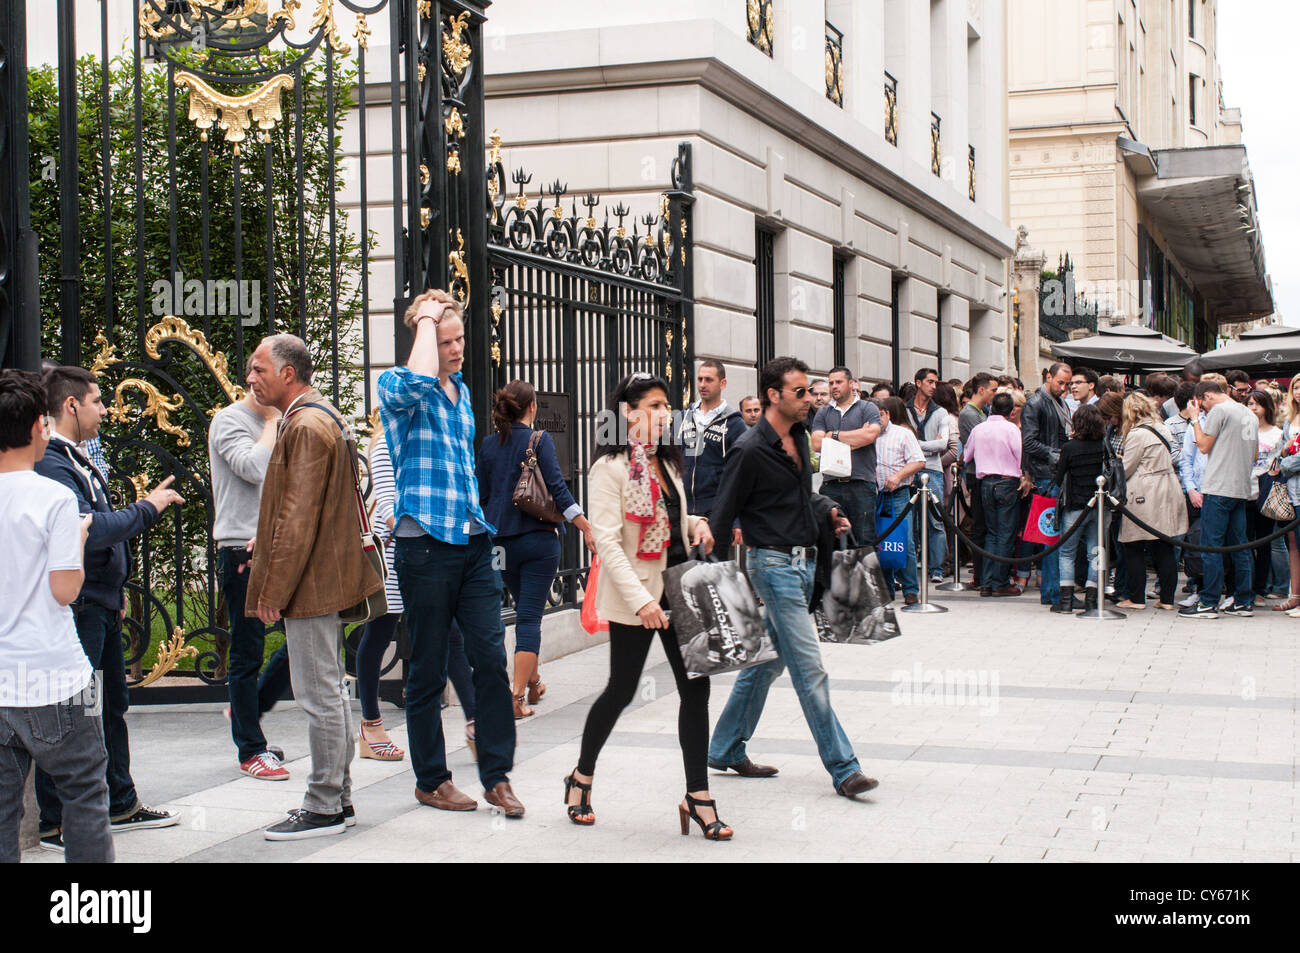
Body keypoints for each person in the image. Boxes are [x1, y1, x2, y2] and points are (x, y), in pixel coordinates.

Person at [379, 289, 524, 818]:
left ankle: (496, 775)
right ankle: (432, 780)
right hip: (425, 550)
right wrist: (424, 318)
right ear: (423, 340)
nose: (458, 348)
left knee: (489, 658)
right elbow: (417, 380)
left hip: (471, 542)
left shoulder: (462, 392)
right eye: (445, 341)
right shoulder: (398, 387)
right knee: (428, 670)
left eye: (460, 337)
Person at [564, 372, 728, 837]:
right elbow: (608, 543)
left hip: (679, 587)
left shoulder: (667, 463)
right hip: (637, 596)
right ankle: (581, 778)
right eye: (654, 406)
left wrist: (695, 523)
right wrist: (640, 603)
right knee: (621, 689)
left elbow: (670, 516)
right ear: (628, 414)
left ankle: (698, 796)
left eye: (666, 406)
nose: (665, 414)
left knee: (696, 689)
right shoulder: (609, 469)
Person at [707, 357, 877, 799]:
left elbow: (802, 496)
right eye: (800, 392)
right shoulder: (747, 450)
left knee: (768, 662)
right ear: (773, 395)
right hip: (773, 567)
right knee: (810, 668)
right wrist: (716, 584)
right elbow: (722, 516)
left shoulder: (800, 436)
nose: (810, 399)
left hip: (806, 565)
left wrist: (829, 512)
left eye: (809, 391)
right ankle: (844, 768)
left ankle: (724, 747)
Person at [33, 365, 184, 852]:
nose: (106, 409)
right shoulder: (54, 464)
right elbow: (92, 530)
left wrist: (115, 591)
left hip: (99, 604)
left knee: (110, 705)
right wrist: (149, 507)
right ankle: (57, 821)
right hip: (80, 609)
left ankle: (121, 801)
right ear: (71, 405)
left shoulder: (72, 457)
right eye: (97, 401)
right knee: (75, 710)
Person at [245, 333, 383, 840]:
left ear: (287, 374)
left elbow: (296, 521)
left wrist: (272, 593)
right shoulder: (321, 417)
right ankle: (338, 799)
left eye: (259, 368)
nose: (250, 377)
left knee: (319, 694)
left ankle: (323, 804)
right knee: (329, 691)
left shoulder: (305, 425)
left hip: (311, 583)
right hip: (323, 576)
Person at [0, 370, 110, 863]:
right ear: (38, 428)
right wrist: (81, 542)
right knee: (86, 792)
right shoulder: (55, 498)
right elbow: (65, 590)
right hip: (59, 675)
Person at [478, 379, 596, 718]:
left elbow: (482, 495)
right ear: (532, 407)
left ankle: (533, 684)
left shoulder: (488, 445)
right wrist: (584, 525)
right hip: (539, 541)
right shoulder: (539, 440)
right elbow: (558, 488)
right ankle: (515, 698)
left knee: (523, 610)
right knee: (530, 617)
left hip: (500, 543)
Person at [208, 385, 292, 780]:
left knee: (302, 640)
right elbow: (253, 467)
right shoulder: (229, 421)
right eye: (259, 375)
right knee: (247, 651)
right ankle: (251, 749)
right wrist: (274, 424)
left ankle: (248, 711)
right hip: (242, 548)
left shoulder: (285, 421)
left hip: (281, 546)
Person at [1179, 381, 1259, 619]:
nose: (1200, 408)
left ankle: (1208, 602)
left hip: (1218, 486)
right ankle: (1243, 601)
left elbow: (1203, 446)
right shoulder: (1249, 414)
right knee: (1240, 546)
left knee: (1210, 547)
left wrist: (1194, 419)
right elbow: (1254, 455)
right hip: (1240, 487)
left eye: (1200, 403)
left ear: (1207, 396)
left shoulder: (1219, 410)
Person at [353, 422, 406, 762]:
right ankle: (370, 725)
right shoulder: (387, 443)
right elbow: (388, 507)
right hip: (395, 552)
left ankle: (476, 722)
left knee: (451, 634)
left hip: (423, 552)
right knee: (379, 634)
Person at [1114, 394, 1187, 611]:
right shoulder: (1162, 427)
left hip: (1145, 491)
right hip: (1168, 485)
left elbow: (1128, 468)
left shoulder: (1137, 434)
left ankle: (1136, 598)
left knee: (1133, 544)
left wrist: (1118, 463)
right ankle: (1167, 599)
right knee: (1163, 546)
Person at [811, 366, 882, 552]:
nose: (834, 386)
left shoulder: (868, 408)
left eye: (838, 382)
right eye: (831, 382)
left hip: (861, 484)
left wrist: (832, 436)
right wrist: (856, 437)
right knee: (830, 541)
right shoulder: (823, 412)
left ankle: (863, 581)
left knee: (863, 541)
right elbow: (817, 443)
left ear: (851, 384)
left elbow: (871, 435)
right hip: (831, 485)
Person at [1021, 362, 1072, 606]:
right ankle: (1052, 592)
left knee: (1054, 535)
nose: (1063, 388)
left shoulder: (1059, 403)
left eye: (1067, 384)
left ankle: (1054, 591)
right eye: (1060, 383)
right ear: (1049, 377)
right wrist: (1056, 455)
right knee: (1050, 535)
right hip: (1046, 475)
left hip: (1054, 474)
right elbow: (1028, 442)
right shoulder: (1035, 402)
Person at [963, 392, 1024, 597]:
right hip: (1007, 481)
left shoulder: (979, 429)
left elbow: (967, 455)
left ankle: (986, 582)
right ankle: (1000, 582)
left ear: (991, 408)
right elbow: (1020, 455)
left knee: (992, 533)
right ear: (1012, 411)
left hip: (986, 482)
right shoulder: (1012, 429)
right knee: (1006, 534)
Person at [1053, 404, 1106, 613]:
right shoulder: (1103, 445)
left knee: (1067, 553)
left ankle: (1066, 601)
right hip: (1099, 506)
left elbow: (1059, 479)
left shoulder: (1069, 447)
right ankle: (1092, 600)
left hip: (1075, 506)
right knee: (1096, 552)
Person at [874, 396, 926, 603]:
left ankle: (910, 588)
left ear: (887, 414)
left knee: (904, 541)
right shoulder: (868, 435)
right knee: (880, 542)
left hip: (899, 493)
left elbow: (918, 460)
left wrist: (898, 476)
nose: (876, 422)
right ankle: (886, 589)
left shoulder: (903, 434)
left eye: (879, 417)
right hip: (875, 495)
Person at [680, 360, 748, 518]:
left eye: (709, 380)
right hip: (684, 509)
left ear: (722, 383)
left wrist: (737, 519)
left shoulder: (735, 423)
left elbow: (741, 474)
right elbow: (673, 461)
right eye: (700, 379)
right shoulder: (683, 417)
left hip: (717, 509)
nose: (703, 384)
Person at [908, 368, 952, 584]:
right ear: (918, 383)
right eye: (930, 382)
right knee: (911, 519)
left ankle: (936, 568)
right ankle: (916, 561)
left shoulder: (941, 412)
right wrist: (927, 446)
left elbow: (942, 444)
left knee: (935, 521)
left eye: (936, 382)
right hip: (910, 469)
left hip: (933, 469)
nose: (934, 386)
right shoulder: (905, 409)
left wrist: (916, 445)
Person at [959, 372, 997, 588]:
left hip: (982, 471)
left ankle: (984, 574)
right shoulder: (969, 414)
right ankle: (981, 575)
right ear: (981, 390)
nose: (994, 394)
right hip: (977, 473)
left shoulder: (982, 412)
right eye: (992, 390)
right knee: (980, 525)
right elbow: (979, 444)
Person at [1245, 390, 1283, 604]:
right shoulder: (1244, 432)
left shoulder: (1276, 433)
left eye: (1257, 404)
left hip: (1265, 490)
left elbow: (1276, 463)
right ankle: (1245, 587)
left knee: (1264, 542)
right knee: (1245, 540)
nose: (1253, 408)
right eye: (1249, 403)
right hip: (1244, 490)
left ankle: (1260, 587)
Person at [1269, 373, 1300, 615]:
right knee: (1292, 544)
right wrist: (1282, 453)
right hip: (1289, 489)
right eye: (1296, 387)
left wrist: (1284, 465)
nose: (1299, 391)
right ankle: (1295, 595)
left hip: (1295, 480)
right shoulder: (1290, 418)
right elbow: (1283, 447)